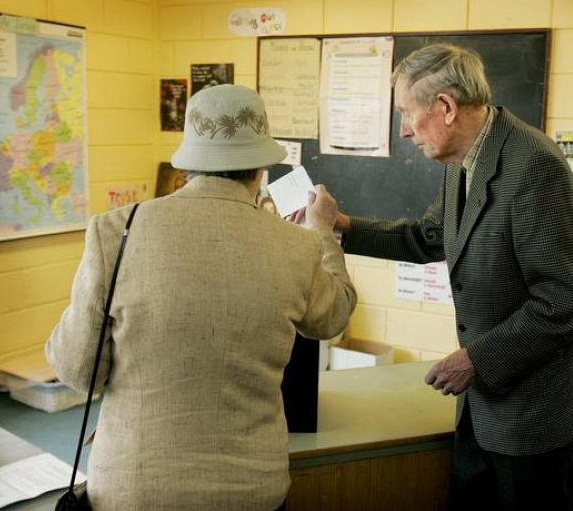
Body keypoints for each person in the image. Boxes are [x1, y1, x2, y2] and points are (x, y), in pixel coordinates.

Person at [306, 44, 573, 510]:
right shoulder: (463, 158)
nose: (403, 130)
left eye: (407, 113)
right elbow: (428, 237)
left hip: (531, 408)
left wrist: (476, 359)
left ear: (445, 106)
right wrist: (342, 226)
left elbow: (566, 300)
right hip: (481, 401)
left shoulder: (533, 166)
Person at [46, 84, 357, 510]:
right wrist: (321, 231)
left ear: (187, 165)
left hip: (135, 487)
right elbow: (334, 315)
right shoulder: (296, 245)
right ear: (261, 169)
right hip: (250, 491)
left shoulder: (115, 232)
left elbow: (79, 370)